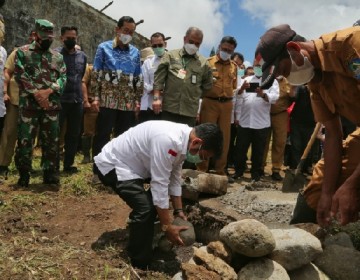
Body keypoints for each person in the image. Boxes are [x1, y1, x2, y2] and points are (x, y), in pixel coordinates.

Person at [254, 23, 360, 226]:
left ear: (294, 49)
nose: (287, 78)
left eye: (284, 71)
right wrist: (327, 194)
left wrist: (353, 185)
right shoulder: (315, 84)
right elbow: (333, 135)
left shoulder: (350, 45)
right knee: (318, 191)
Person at [93, 121, 223, 269]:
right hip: (114, 164)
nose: (201, 160)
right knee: (145, 209)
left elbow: (174, 178)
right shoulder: (168, 140)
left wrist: (178, 211)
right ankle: (139, 262)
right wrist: (167, 226)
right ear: (197, 141)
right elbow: (159, 185)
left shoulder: (183, 141)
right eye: (203, 155)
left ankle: (142, 228)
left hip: (136, 164)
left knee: (153, 204)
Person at [14, 19, 67, 187]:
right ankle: (24, 175)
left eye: (50, 38)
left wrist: (49, 91)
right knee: (25, 142)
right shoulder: (22, 53)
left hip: (51, 107)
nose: (48, 40)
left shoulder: (57, 57)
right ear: (36, 35)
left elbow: (63, 78)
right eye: (45, 37)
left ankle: (50, 175)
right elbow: (20, 76)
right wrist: (38, 94)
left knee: (51, 141)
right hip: (29, 107)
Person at [91, 16, 142, 161]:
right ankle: (99, 170)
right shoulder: (103, 48)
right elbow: (96, 73)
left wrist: (137, 101)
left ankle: (119, 170)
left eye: (131, 32)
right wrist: (95, 97)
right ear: (117, 29)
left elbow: (138, 77)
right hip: (107, 100)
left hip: (127, 102)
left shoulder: (135, 53)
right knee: (102, 134)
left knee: (123, 137)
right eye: (126, 30)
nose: (128, 35)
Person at [152, 27, 213, 127]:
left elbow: (207, 86)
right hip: (169, 109)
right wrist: (156, 98)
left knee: (184, 142)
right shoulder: (171, 55)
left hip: (189, 113)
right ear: (185, 39)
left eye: (197, 43)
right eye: (191, 41)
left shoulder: (204, 63)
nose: (193, 45)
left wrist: (194, 95)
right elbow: (159, 80)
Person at [197, 36, 237, 181]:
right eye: (224, 49)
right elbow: (200, 85)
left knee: (225, 139)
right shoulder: (208, 63)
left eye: (230, 50)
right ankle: (202, 170)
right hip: (210, 102)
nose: (226, 51)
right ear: (219, 46)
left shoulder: (234, 66)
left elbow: (234, 87)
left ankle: (220, 171)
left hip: (227, 104)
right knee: (205, 136)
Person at [232, 60, 279, 182]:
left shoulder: (271, 81)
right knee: (241, 148)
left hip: (261, 122)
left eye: (260, 66)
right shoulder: (246, 79)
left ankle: (256, 174)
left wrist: (263, 94)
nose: (258, 68)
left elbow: (275, 98)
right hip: (245, 120)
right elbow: (237, 98)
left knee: (258, 150)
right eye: (256, 66)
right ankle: (238, 171)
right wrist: (241, 89)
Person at [55, 26, 87, 173]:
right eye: (68, 38)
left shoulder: (82, 56)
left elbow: (81, 78)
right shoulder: (55, 54)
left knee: (74, 134)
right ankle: (53, 165)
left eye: (73, 38)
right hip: (59, 100)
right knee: (56, 133)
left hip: (76, 101)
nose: (71, 40)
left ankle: (68, 164)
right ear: (62, 38)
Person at [262, 76, 292, 180]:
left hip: (281, 114)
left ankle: (276, 169)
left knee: (279, 142)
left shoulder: (288, 81)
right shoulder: (267, 79)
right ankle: (260, 167)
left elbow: (292, 97)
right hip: (264, 113)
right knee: (263, 141)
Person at [139, 32, 167, 123]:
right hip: (148, 106)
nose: (157, 48)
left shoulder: (173, 61)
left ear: (165, 44)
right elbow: (144, 82)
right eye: (154, 46)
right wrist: (157, 91)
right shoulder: (148, 62)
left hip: (167, 108)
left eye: (160, 45)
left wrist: (165, 91)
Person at [80, 63, 98, 164]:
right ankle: (86, 155)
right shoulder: (90, 69)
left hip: (105, 104)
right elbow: (83, 83)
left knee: (102, 132)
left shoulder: (108, 67)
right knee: (88, 131)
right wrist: (86, 101)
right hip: (91, 103)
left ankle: (97, 155)